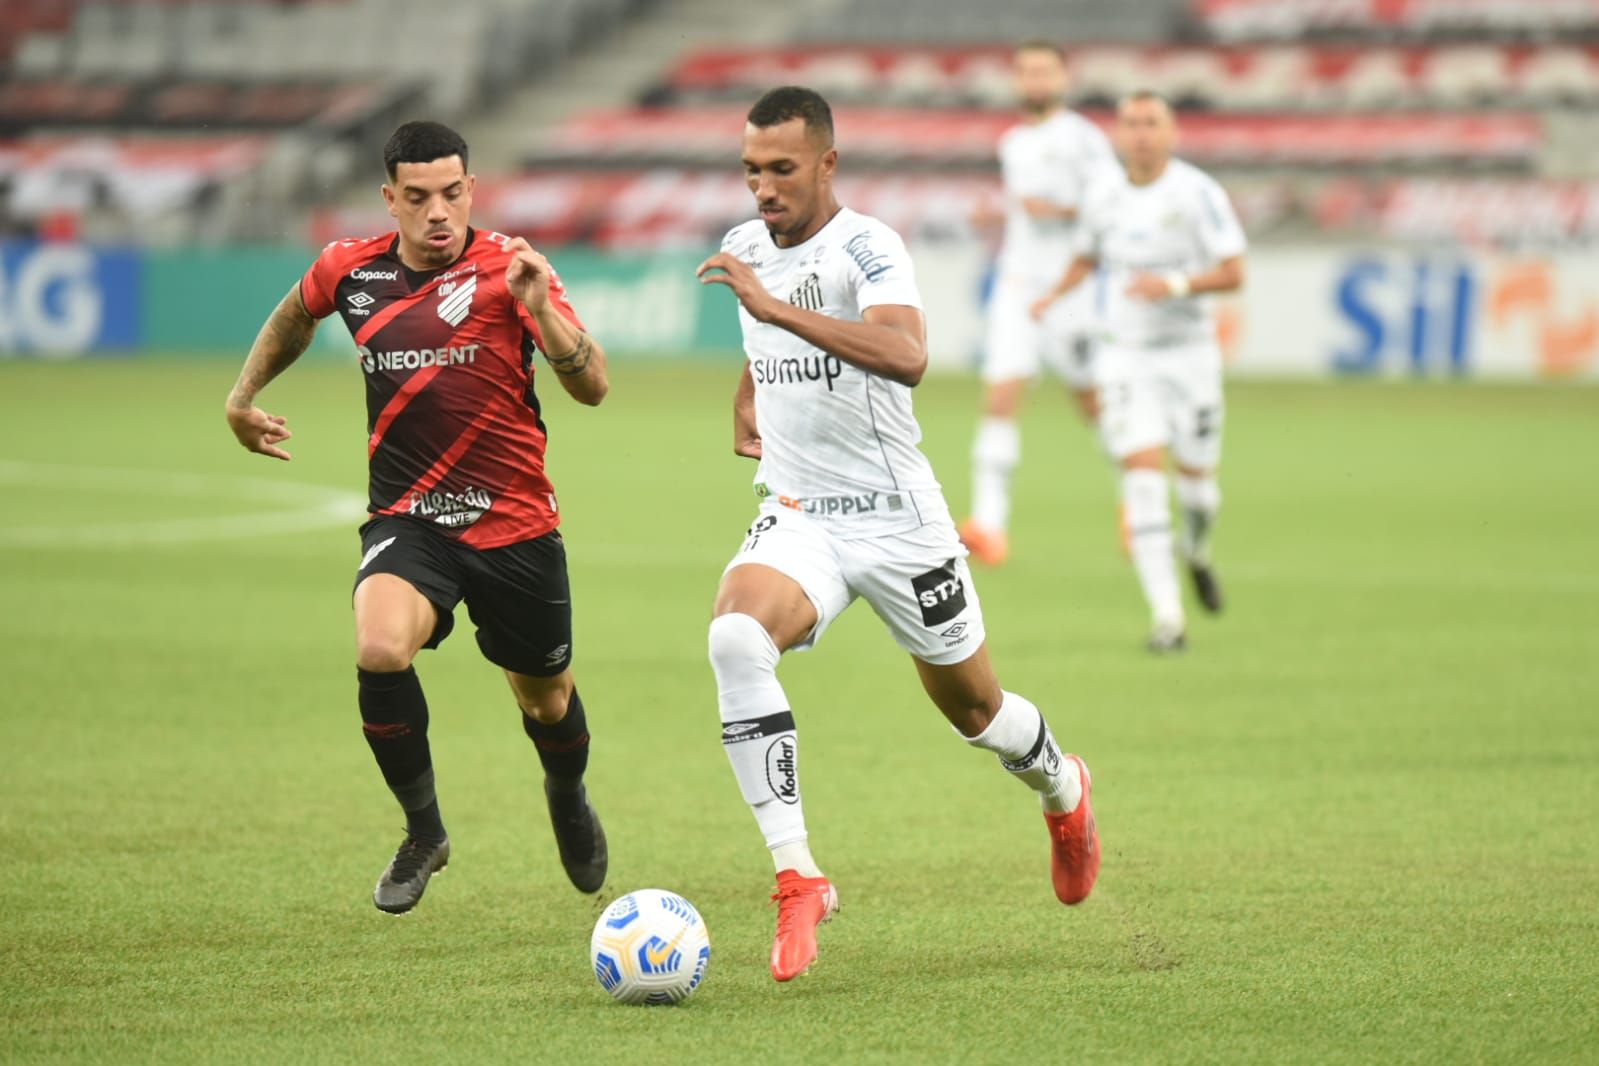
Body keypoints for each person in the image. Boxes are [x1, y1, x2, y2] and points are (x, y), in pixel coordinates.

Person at [696, 87, 1100, 984]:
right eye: (751, 170)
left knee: (976, 713)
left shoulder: (869, 245)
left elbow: (906, 355)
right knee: (733, 637)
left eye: (782, 170)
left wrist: (772, 313)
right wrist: (748, 385)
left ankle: (1063, 790)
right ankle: (798, 876)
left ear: (827, 165)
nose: (763, 188)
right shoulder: (744, 250)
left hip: (898, 521)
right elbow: (767, 340)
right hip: (798, 513)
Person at [223, 121, 612, 913]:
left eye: (453, 193)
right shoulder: (350, 268)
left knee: (545, 698)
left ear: (471, 188)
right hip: (411, 520)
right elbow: (297, 314)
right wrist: (243, 396)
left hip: (514, 525)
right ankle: (424, 831)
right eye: (418, 197)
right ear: (389, 199)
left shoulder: (514, 266)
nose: (438, 212)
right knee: (378, 645)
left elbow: (593, 384)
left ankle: (567, 792)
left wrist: (544, 315)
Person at [1031, 92, 1246, 652]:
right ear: (1119, 135)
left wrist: (1173, 285)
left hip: (1190, 354)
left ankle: (1197, 553)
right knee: (1143, 478)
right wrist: (1051, 296)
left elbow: (1233, 272)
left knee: (1198, 490)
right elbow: (1087, 255)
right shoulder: (1102, 192)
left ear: (1172, 133)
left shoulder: (1197, 193)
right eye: (1131, 124)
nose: (1141, 133)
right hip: (1124, 353)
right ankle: (1168, 618)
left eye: (1152, 123)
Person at [959, 40, 1117, 567]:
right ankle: (988, 525)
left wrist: (1058, 209)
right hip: (1017, 284)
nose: (1035, 80)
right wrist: (999, 218)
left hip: (1070, 290)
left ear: (1064, 79)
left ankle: (1137, 500)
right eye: (1026, 71)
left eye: (1045, 71)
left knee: (1092, 404)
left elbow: (1110, 208)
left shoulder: (1083, 139)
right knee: (1000, 395)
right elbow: (1024, 211)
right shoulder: (1013, 142)